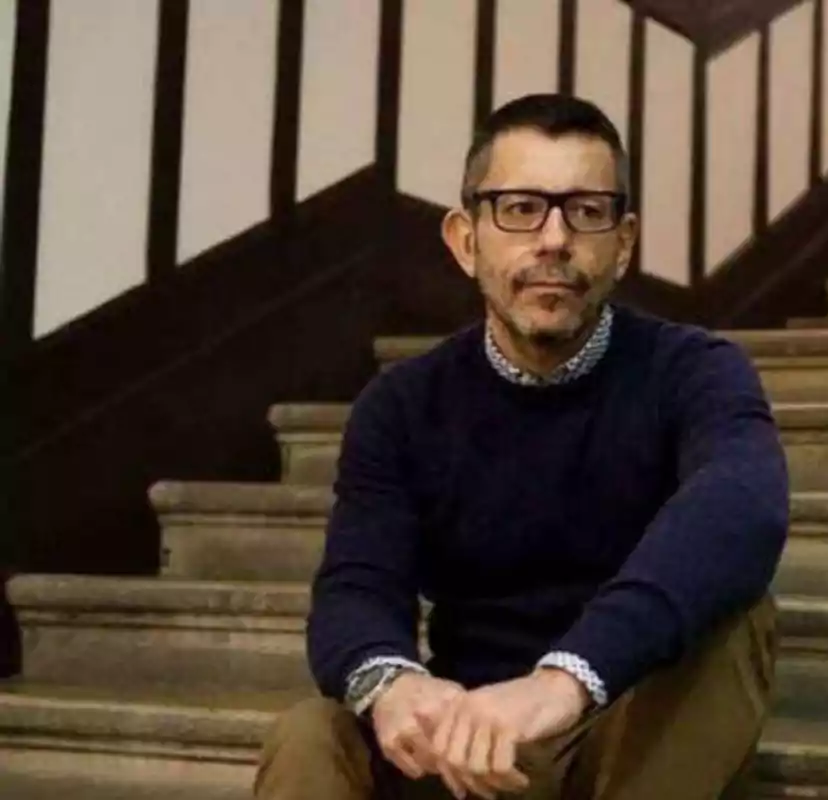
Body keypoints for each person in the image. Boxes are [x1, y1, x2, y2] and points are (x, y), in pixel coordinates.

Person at [254, 92, 790, 800]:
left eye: (587, 211)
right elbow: (357, 583)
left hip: (626, 730)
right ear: (465, 239)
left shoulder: (693, 370)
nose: (554, 240)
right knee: (309, 732)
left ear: (623, 242)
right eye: (520, 208)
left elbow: (742, 508)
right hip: (466, 740)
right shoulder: (402, 406)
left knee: (735, 620)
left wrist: (569, 677)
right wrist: (393, 686)